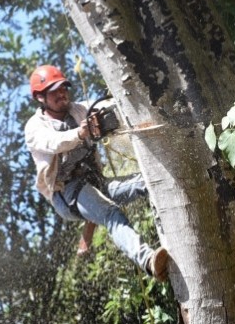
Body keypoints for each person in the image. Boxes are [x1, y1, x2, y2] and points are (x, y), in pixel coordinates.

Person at [24, 64, 169, 281]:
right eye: (54, 91)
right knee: (111, 213)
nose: (61, 94)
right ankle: (148, 261)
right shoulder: (35, 127)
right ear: (40, 97)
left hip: (96, 182)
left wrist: (124, 101)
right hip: (68, 191)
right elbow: (54, 143)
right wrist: (80, 133)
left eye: (63, 88)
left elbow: (109, 107)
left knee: (145, 182)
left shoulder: (79, 109)